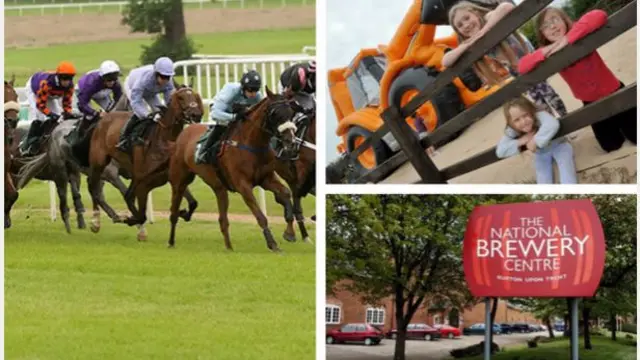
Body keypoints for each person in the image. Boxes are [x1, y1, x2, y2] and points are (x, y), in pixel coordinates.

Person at [519, 8, 636, 152]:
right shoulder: (548, 53)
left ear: (564, 20)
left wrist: (566, 40)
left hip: (614, 91)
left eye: (555, 20)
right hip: (590, 103)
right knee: (611, 146)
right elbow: (522, 66)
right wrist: (548, 49)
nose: (552, 26)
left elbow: (599, 15)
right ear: (542, 33)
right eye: (546, 26)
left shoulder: (578, 32)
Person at [443, 1, 568, 117]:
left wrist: (482, 32)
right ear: (458, 31)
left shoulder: (488, 18)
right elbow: (446, 61)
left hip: (528, 60)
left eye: (467, 18)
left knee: (549, 94)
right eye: (460, 25)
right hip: (514, 69)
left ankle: (565, 119)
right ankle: (555, 127)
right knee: (537, 101)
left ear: (475, 13)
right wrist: (468, 44)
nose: (466, 25)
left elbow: (506, 7)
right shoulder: (470, 41)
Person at [496, 96, 577, 184]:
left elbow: (552, 124)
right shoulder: (512, 129)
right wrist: (521, 141)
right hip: (541, 154)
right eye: (517, 120)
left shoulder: (539, 115)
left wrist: (535, 140)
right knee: (543, 179)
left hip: (560, 145)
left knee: (567, 172)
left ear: (531, 111)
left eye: (525, 115)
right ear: (511, 123)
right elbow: (500, 151)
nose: (523, 122)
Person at [195, 69, 263, 164]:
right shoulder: (231, 91)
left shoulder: (257, 96)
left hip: (236, 112)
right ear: (243, 87)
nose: (253, 94)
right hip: (220, 111)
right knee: (222, 125)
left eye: (256, 90)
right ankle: (203, 151)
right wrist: (234, 117)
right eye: (250, 90)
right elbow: (215, 114)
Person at [116, 56, 176, 152]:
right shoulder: (143, 80)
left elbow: (169, 100)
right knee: (140, 114)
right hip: (132, 87)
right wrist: (147, 114)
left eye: (168, 77)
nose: (165, 80)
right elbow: (136, 102)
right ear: (156, 74)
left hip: (150, 92)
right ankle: (124, 138)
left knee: (160, 112)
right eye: (163, 77)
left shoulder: (169, 82)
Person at [20, 61, 77, 156]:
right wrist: (50, 114)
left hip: (50, 95)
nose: (67, 81)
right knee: (40, 118)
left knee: (58, 118)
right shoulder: (46, 83)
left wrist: (68, 113)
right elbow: (40, 105)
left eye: (69, 78)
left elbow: (66, 103)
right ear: (59, 77)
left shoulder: (70, 86)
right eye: (64, 78)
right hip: (34, 90)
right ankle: (27, 144)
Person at [74, 60, 123, 143]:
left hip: (101, 92)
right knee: (89, 116)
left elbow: (117, 98)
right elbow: (83, 103)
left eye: (114, 79)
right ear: (102, 77)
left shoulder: (115, 83)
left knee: (113, 113)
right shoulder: (91, 83)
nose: (112, 82)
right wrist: (95, 113)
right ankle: (80, 136)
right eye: (109, 79)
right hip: (83, 91)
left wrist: (109, 111)